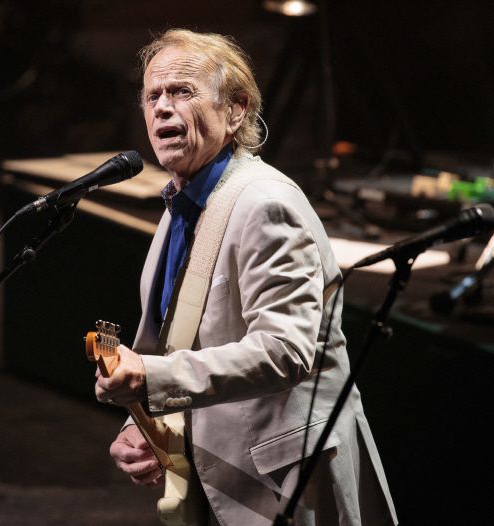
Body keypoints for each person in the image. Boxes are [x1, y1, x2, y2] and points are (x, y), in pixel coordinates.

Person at [95, 29, 397, 526]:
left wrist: (152, 377)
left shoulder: (265, 204)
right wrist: (143, 424)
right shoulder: (181, 205)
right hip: (219, 474)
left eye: (182, 91)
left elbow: (284, 350)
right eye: (152, 96)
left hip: (286, 481)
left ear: (236, 110)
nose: (163, 108)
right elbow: (179, 345)